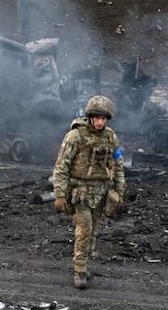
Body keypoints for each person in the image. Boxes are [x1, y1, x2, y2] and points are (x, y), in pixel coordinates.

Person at [52, 95, 125, 289]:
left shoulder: (111, 137)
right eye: (96, 117)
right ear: (90, 117)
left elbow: (118, 165)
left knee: (93, 232)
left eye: (103, 118)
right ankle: (80, 271)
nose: (100, 121)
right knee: (84, 230)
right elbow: (61, 166)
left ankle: (84, 265)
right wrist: (59, 194)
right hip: (80, 192)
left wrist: (119, 192)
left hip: (101, 193)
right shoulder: (75, 136)